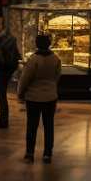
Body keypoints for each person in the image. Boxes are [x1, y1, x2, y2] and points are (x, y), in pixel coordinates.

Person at [18, 33, 61, 164]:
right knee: (49, 126)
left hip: (33, 97)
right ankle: (47, 154)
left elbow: (25, 78)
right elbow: (57, 76)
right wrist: (51, 87)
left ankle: (29, 153)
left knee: (32, 125)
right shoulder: (55, 58)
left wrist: (21, 93)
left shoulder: (33, 59)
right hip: (50, 96)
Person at [0, 24, 21, 129]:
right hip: (9, 68)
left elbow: (0, 57)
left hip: (4, 69)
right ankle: (3, 118)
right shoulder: (10, 39)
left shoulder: (1, 41)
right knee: (1, 94)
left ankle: (3, 119)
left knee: (1, 94)